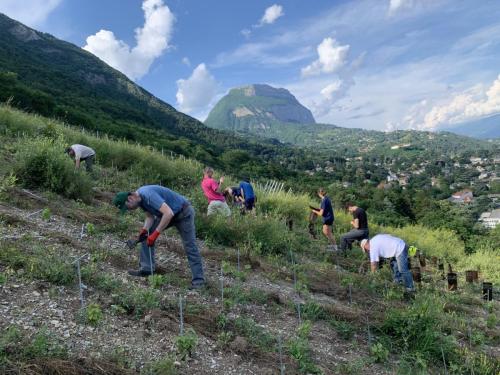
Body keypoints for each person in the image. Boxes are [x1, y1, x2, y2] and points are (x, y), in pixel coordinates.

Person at [113, 185, 205, 289]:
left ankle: (199, 281)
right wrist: (143, 232)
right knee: (146, 235)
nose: (129, 210)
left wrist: (155, 234)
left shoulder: (148, 195)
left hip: (183, 213)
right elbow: (149, 217)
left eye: (127, 207)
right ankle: (147, 269)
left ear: (130, 198)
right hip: (169, 214)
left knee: (190, 246)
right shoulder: (140, 200)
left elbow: (168, 213)